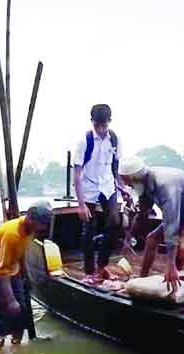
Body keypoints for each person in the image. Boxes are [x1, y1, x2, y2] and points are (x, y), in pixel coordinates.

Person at [118, 157, 184, 313]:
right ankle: (140, 283)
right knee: (152, 239)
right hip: (183, 212)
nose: (126, 185)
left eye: (126, 181)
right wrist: (128, 238)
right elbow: (142, 213)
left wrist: (170, 265)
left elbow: (171, 224)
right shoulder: (143, 184)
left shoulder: (165, 184)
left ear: (132, 177)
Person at [73, 104, 130, 284]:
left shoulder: (114, 139)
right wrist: (81, 205)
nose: (101, 129)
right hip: (88, 187)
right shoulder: (85, 141)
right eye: (97, 125)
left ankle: (102, 266)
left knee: (114, 222)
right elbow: (77, 173)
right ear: (92, 122)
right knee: (89, 228)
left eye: (104, 125)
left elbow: (115, 166)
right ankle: (89, 271)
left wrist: (122, 187)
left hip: (107, 186)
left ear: (109, 122)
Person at [0, 202, 52, 346]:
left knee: (22, 308)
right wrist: (11, 300)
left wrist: (25, 274)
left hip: (12, 269)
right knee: (6, 308)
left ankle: (16, 340)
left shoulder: (30, 230)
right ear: (31, 220)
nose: (44, 228)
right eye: (42, 224)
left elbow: (20, 253)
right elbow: (2, 271)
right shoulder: (12, 234)